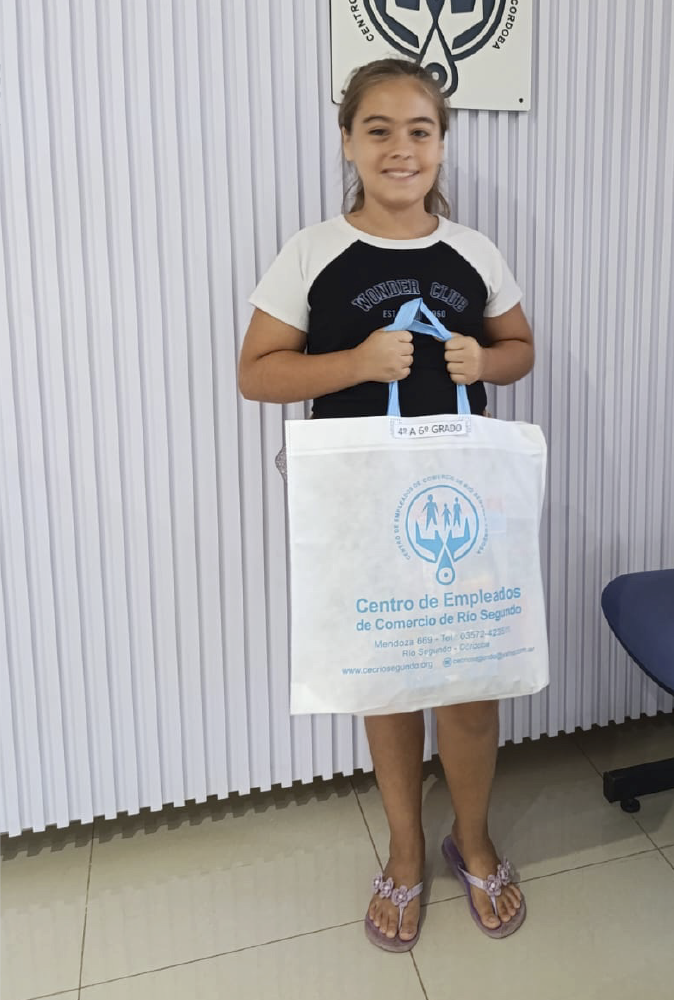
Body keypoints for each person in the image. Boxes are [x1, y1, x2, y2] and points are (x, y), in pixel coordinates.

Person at [237, 58, 534, 952]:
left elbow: (520, 347)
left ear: (442, 143)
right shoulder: (312, 251)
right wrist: (357, 364)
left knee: (471, 686)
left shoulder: (474, 250)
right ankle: (406, 853)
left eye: (419, 130)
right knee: (389, 678)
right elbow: (257, 373)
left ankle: (471, 841)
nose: (401, 149)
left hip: (461, 504)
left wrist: (488, 361)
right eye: (378, 130)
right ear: (348, 142)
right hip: (361, 509)